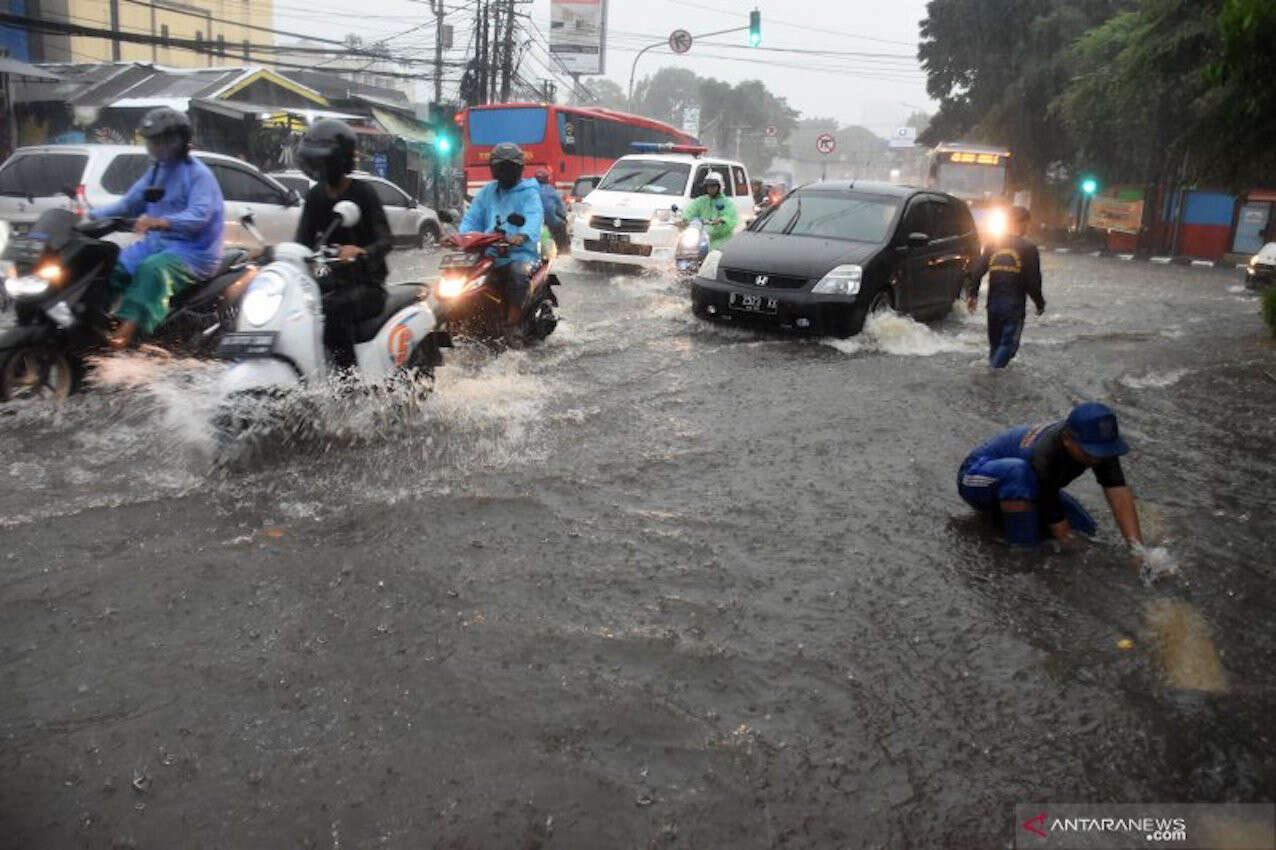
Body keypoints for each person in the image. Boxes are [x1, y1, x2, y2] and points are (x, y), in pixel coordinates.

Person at [89, 107, 224, 350]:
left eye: (160, 140)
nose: (154, 146)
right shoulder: (156, 172)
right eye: (151, 141)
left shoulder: (199, 175)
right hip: (156, 244)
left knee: (151, 271)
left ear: (178, 141)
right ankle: (94, 325)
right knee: (111, 267)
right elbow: (128, 204)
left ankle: (123, 337)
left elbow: (199, 215)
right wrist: (89, 217)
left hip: (194, 251)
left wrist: (162, 221)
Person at [958, 402, 1144, 557]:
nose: (1097, 459)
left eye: (1103, 453)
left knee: (1086, 531)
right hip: (977, 477)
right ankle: (1020, 554)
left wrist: (1138, 551)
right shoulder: (1045, 453)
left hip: (1034, 485)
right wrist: (1063, 538)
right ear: (1067, 439)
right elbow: (1049, 502)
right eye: (1090, 452)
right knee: (1019, 474)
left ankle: (1012, 518)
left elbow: (1119, 494)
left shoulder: (1100, 447)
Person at [293, 119, 393, 369]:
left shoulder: (364, 193)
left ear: (341, 161)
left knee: (334, 311)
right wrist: (275, 254)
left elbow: (386, 239)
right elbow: (302, 241)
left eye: (324, 161)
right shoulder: (315, 197)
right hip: (327, 281)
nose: (320, 169)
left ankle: (347, 383)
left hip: (366, 285)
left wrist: (362, 252)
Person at [458, 142, 543, 329]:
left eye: (509, 167)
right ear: (493, 169)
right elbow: (472, 218)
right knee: (461, 273)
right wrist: (459, 237)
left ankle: (513, 323)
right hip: (490, 251)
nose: (504, 172)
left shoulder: (529, 193)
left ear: (519, 169)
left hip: (519, 253)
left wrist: (522, 236)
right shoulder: (488, 191)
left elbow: (533, 217)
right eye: (500, 167)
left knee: (518, 275)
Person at [964, 205, 1044, 368]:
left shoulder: (993, 245)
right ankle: (990, 377)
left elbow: (977, 272)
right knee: (1008, 348)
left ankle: (991, 384)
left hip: (993, 307)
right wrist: (1040, 304)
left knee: (995, 347)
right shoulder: (1028, 248)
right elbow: (1033, 282)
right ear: (1023, 223)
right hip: (1013, 309)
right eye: (1027, 224)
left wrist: (973, 295)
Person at [680, 172, 738, 251]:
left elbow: (730, 217)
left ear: (719, 187)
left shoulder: (727, 203)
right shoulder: (701, 200)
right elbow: (690, 210)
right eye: (709, 186)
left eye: (713, 186)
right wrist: (684, 219)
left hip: (720, 240)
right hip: (701, 237)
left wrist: (722, 220)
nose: (711, 189)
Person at [534, 167, 569, 255]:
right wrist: (564, 217)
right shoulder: (550, 190)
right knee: (562, 229)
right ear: (547, 179)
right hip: (551, 222)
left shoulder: (530, 189)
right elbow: (560, 208)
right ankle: (563, 251)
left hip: (533, 223)